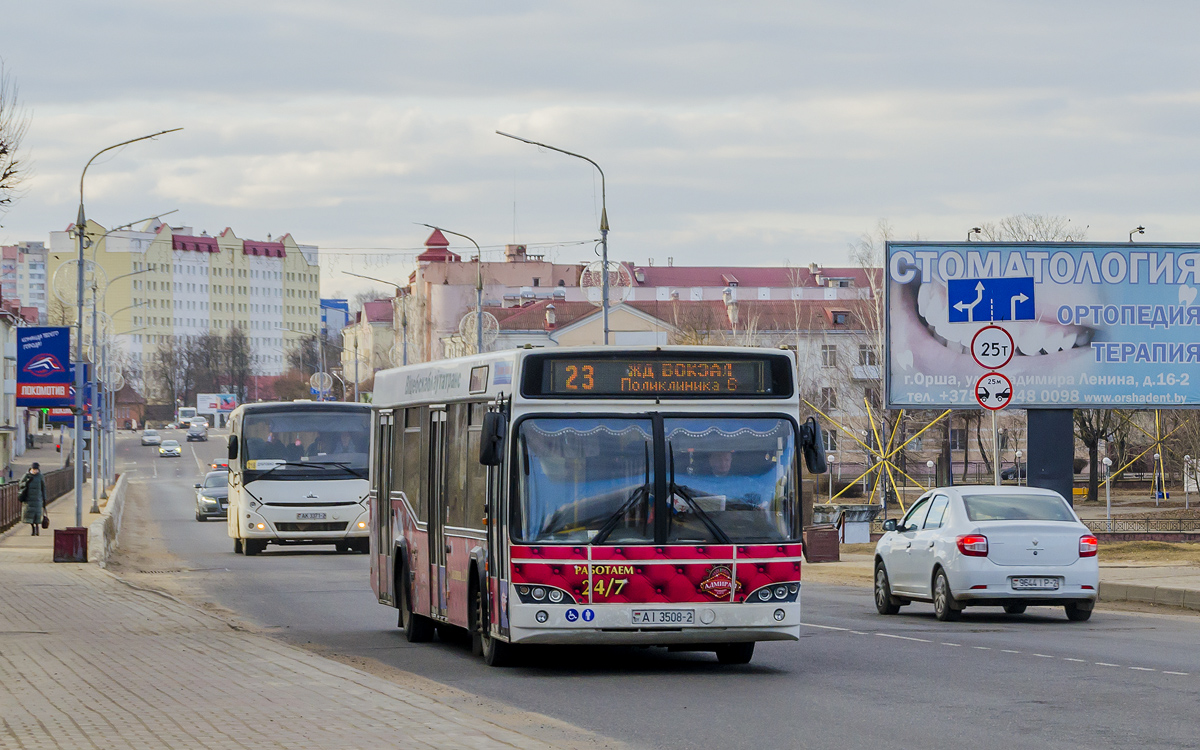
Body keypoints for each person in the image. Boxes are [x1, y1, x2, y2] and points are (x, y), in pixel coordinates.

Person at [19, 462, 47, 536]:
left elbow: (43, 488)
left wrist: (44, 498)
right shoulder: (26, 476)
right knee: (30, 516)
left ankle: (37, 529)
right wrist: (26, 483)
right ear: (31, 469)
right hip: (29, 499)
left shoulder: (40, 476)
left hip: (37, 499)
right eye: (34, 469)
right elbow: (20, 484)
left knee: (37, 516)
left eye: (36, 469)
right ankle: (33, 529)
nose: (35, 471)